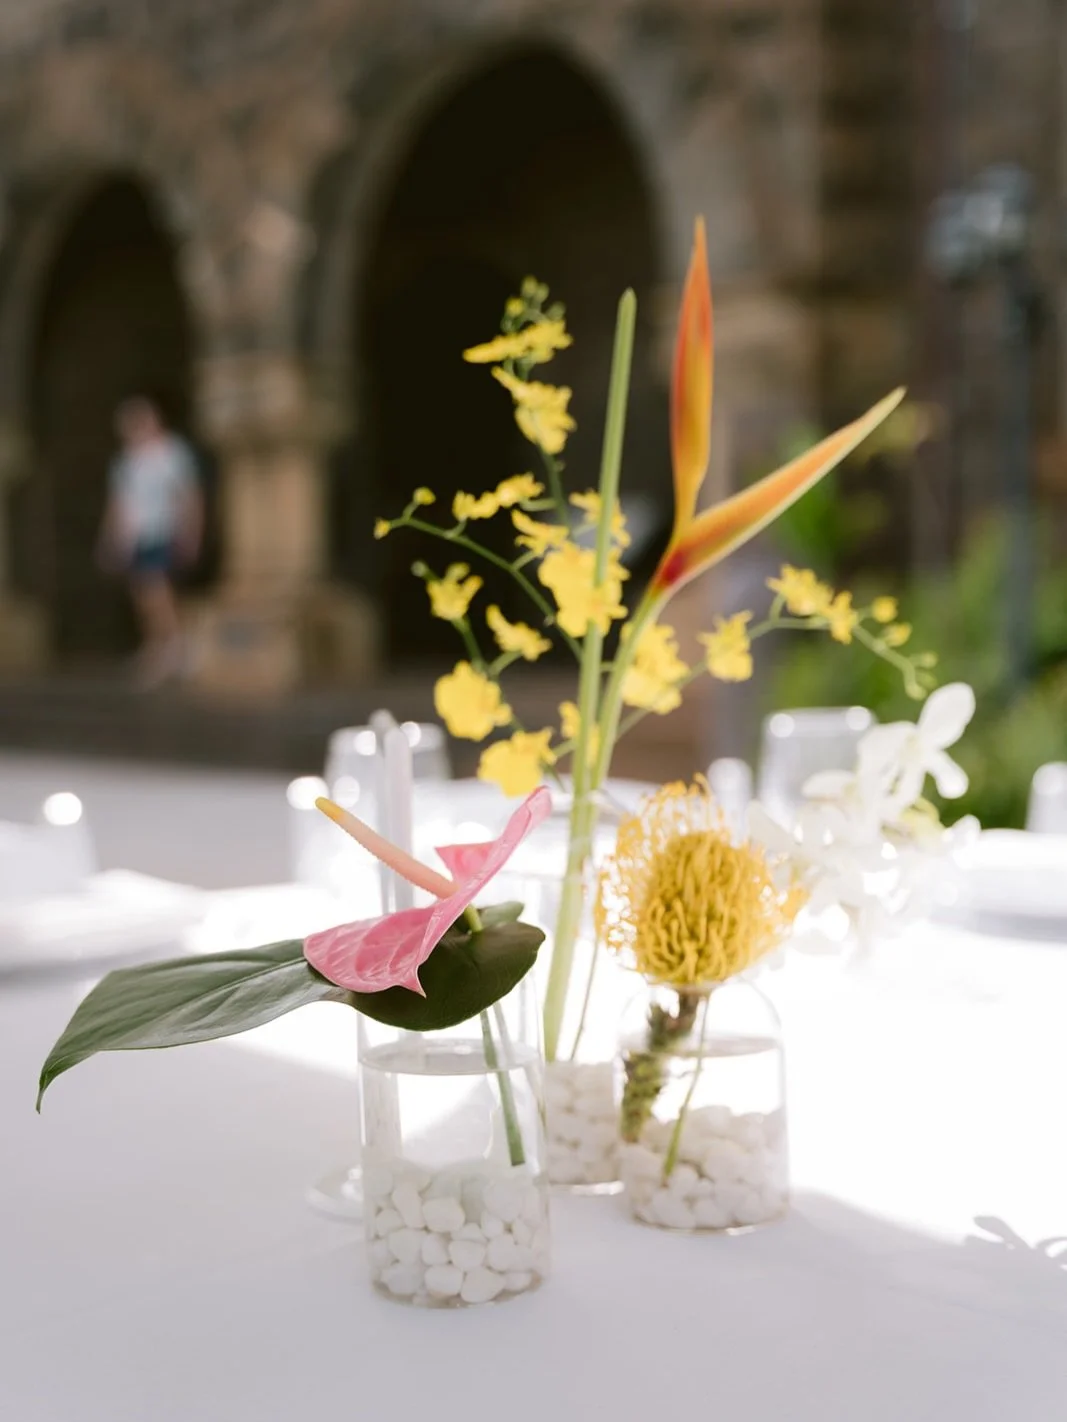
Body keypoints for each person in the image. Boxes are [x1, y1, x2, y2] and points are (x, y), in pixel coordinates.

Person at [97, 395, 203, 687]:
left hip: (163, 530)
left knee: (157, 590)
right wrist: (111, 538)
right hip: (136, 536)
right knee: (143, 594)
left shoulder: (172, 453)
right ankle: (157, 644)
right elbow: (119, 503)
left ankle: (176, 647)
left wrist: (191, 532)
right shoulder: (125, 462)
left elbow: (188, 496)